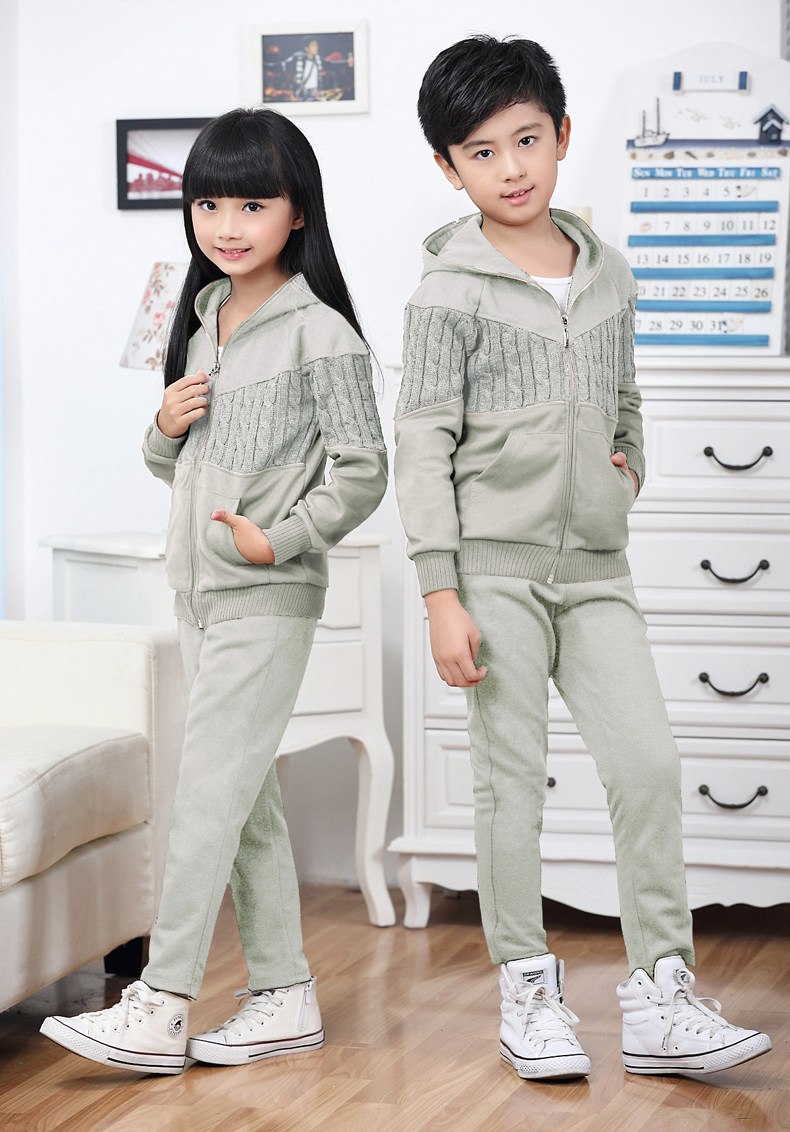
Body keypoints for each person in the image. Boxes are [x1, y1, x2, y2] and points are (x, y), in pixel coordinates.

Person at [393, 35, 772, 1082]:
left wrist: (625, 472)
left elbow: (626, 397)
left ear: (561, 135)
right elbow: (420, 442)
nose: (510, 168)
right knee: (510, 782)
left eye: (526, 139)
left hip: (597, 568)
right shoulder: (446, 293)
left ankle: (660, 993)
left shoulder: (610, 273)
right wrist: (440, 593)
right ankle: (527, 987)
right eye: (481, 152)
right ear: (449, 169)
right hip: (491, 570)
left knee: (647, 764)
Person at [40, 107, 388, 1075]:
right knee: (246, 800)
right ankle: (283, 994)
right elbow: (177, 467)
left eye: (252, 204)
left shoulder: (322, 335)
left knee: (205, 794)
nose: (226, 226)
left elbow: (363, 471)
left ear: (297, 212)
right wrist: (162, 424)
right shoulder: (201, 320)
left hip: (267, 594)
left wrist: (281, 539)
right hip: (197, 594)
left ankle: (161, 1002)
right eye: (207, 204)